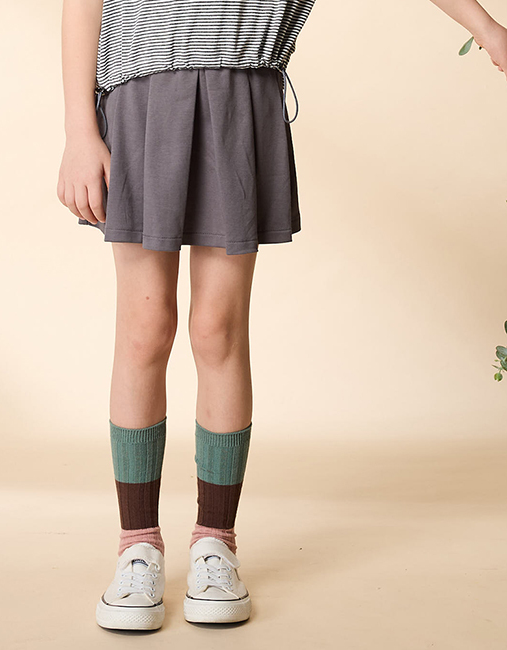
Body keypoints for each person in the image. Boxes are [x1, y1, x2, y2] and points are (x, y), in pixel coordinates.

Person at [57, 0, 507, 632]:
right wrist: (80, 133)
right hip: (140, 93)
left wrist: (486, 28)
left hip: (241, 98)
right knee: (143, 330)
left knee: (217, 330)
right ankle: (138, 548)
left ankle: (215, 542)